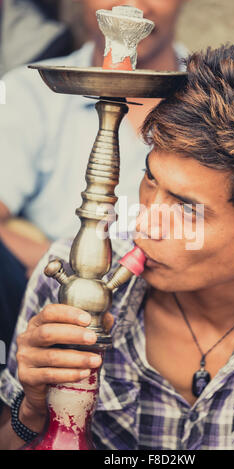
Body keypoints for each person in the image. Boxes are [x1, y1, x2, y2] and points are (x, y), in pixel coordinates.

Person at [1, 42, 234, 450]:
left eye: (188, 209)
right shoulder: (73, 273)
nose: (143, 223)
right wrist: (33, 408)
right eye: (150, 179)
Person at [0, 0, 189, 353]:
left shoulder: (221, 103)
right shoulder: (29, 92)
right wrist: (71, 270)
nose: (132, 6)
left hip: (177, 310)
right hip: (44, 303)